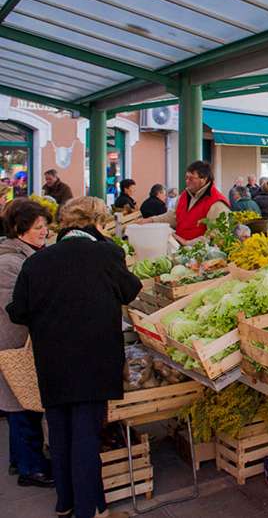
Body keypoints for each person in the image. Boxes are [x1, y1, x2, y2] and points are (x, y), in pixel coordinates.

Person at [7, 197, 141, 518]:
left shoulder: (38, 261)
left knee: (61, 432)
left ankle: (64, 503)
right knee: (85, 435)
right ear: (97, 223)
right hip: (93, 361)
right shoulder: (107, 253)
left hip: (51, 361)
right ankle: (90, 509)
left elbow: (19, 310)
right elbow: (130, 290)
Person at [0, 199, 54, 489]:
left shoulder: (25, 255)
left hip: (19, 343)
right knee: (22, 406)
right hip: (13, 345)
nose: (44, 231)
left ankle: (19, 460)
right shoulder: (9, 262)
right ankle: (30, 469)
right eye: (38, 227)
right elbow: (16, 307)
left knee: (20, 403)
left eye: (45, 226)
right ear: (20, 230)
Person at [142, 161, 230, 244]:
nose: (187, 181)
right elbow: (173, 216)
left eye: (191, 179)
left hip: (200, 255)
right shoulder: (185, 195)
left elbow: (217, 236)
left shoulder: (217, 203)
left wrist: (188, 243)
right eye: (186, 178)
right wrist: (150, 220)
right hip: (179, 248)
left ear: (204, 179)